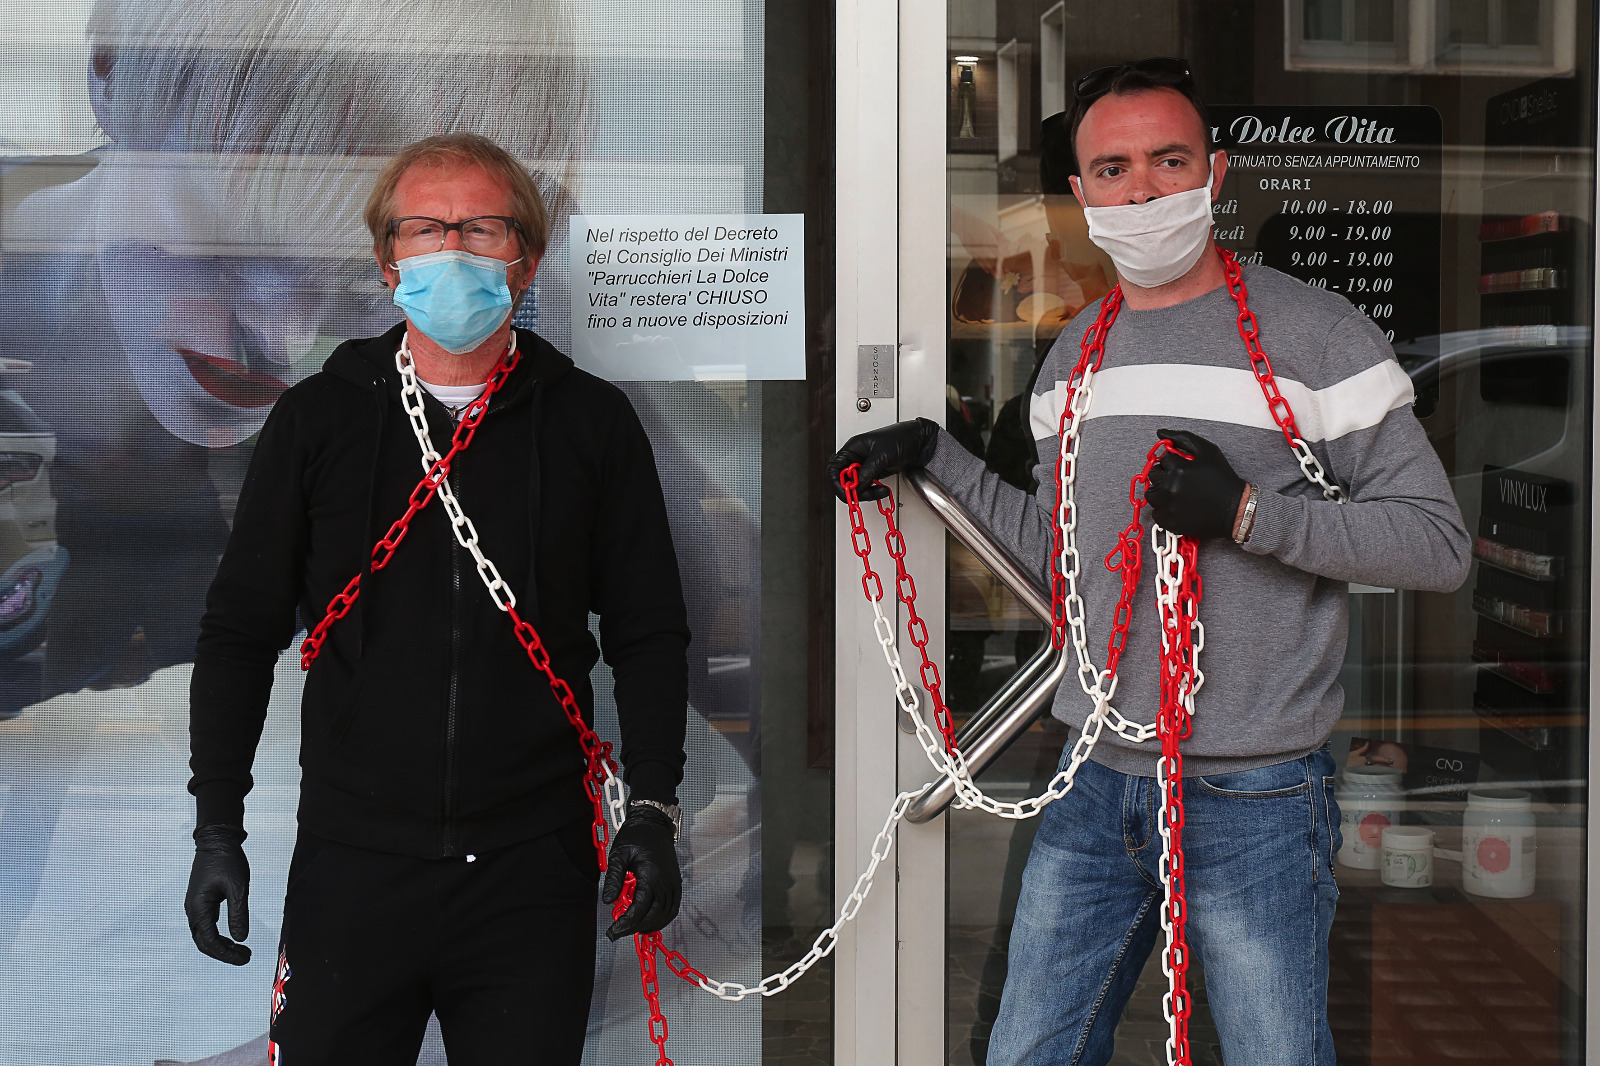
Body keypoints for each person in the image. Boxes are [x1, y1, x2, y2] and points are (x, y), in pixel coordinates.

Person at [828, 58, 1470, 1066]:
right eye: (1113, 169)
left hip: (1256, 795)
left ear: (1214, 172)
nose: (1142, 192)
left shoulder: (1318, 335)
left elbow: (1436, 544)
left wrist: (1247, 514)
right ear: (1081, 194)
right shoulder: (1074, 355)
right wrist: (934, 458)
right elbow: (1065, 563)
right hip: (1094, 779)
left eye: (1168, 161)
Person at [182, 133, 690, 1065]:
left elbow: (649, 632)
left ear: (525, 259)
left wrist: (653, 807)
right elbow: (239, 633)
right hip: (352, 862)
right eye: (424, 229)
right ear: (388, 261)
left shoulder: (591, 423)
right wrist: (218, 822)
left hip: (530, 868)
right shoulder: (318, 420)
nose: (451, 249)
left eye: (482, 228)